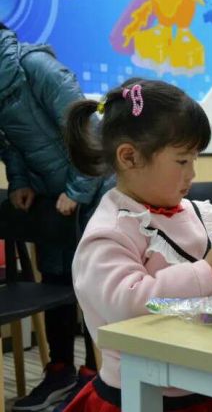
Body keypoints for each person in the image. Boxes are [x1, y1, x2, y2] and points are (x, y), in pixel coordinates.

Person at [62, 79, 212, 412]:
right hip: (144, 394)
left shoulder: (192, 212)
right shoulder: (111, 230)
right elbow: (128, 302)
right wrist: (209, 270)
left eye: (195, 160)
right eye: (182, 161)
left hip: (207, 383)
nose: (192, 173)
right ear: (129, 157)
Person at [0, 23, 108, 412]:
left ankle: (101, 378)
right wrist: (19, 182)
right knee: (56, 279)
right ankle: (61, 371)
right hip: (52, 194)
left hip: (94, 188)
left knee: (95, 285)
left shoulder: (34, 66)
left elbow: (88, 133)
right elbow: (9, 144)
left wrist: (77, 191)